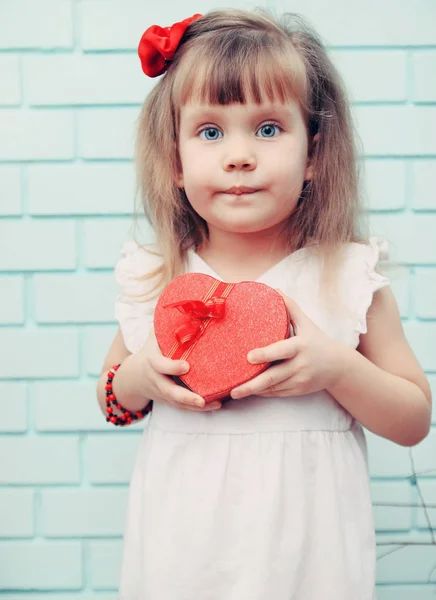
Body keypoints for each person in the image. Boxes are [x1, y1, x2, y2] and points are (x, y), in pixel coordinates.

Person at [96, 8, 432, 599]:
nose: (239, 156)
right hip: (183, 546)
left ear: (313, 155)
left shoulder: (347, 276)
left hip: (309, 553)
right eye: (210, 132)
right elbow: (113, 399)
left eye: (269, 129)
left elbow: (412, 421)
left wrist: (336, 367)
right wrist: (142, 374)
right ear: (175, 160)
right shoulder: (156, 278)